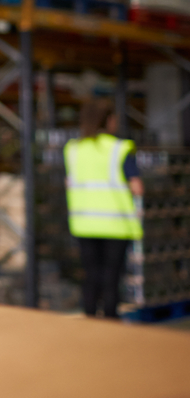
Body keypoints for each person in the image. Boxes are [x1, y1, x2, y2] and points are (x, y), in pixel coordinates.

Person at [64, 99, 144, 319]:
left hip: (84, 224)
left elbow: (69, 182)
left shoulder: (73, 149)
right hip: (116, 224)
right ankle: (110, 321)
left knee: (90, 274)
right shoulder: (119, 148)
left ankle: (89, 318)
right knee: (111, 276)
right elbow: (137, 187)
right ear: (109, 120)